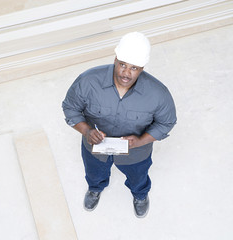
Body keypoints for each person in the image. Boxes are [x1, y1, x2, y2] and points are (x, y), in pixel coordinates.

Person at [62, 32, 177, 218]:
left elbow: (166, 123)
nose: (126, 73)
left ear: (142, 67)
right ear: (115, 58)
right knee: (94, 173)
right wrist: (87, 130)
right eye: (122, 64)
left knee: (138, 177)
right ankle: (95, 189)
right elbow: (70, 108)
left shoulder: (158, 94)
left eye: (134, 68)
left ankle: (140, 195)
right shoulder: (88, 81)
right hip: (95, 149)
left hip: (136, 153)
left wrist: (140, 141)